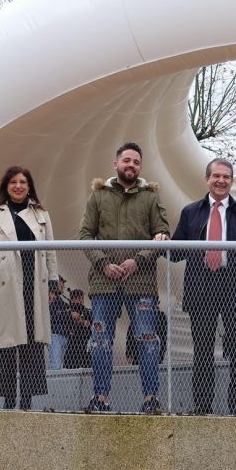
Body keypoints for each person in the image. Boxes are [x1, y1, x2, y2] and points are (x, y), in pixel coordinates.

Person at [170, 158, 236, 415]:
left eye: (226, 177)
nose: (221, 181)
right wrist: (161, 239)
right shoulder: (190, 212)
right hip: (202, 284)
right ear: (207, 179)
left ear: (232, 181)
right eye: (216, 176)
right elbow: (174, 253)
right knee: (202, 350)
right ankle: (203, 408)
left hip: (234, 286)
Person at [79, 142, 170, 413]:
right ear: (115, 164)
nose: (131, 165)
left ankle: (150, 399)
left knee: (147, 339)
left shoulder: (151, 197)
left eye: (136, 162)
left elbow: (162, 234)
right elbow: (85, 235)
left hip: (140, 281)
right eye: (126, 160)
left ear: (140, 167)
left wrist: (138, 260)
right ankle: (100, 398)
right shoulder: (97, 196)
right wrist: (104, 263)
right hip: (103, 281)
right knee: (100, 340)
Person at [0, 165, 57, 410]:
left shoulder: (41, 214)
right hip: (6, 283)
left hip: (34, 282)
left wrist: (53, 280)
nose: (18, 186)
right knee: (7, 341)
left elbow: (51, 249)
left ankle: (27, 401)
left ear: (29, 186)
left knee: (32, 341)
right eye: (13, 182)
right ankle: (8, 400)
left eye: (22, 182)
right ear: (6, 186)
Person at [63, 289, 92, 369]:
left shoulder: (87, 311)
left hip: (85, 343)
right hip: (72, 344)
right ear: (72, 299)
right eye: (77, 298)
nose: (80, 300)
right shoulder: (67, 310)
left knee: (87, 366)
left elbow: (89, 323)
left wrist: (82, 321)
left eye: (81, 298)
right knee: (70, 367)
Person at [48, 286, 72, 370]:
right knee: (56, 364)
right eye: (61, 285)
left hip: (65, 333)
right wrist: (68, 314)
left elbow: (69, 309)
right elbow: (52, 315)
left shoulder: (61, 298)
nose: (63, 287)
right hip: (55, 334)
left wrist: (65, 313)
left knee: (62, 364)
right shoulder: (51, 298)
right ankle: (54, 383)